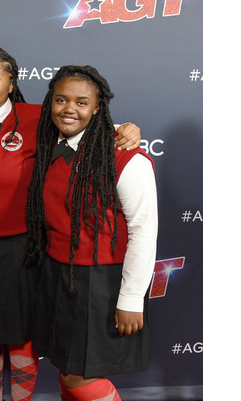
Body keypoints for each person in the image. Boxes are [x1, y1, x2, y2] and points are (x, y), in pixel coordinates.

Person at [0, 46, 142, 401]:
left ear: (11, 83)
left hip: (23, 247)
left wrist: (124, 129)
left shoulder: (34, 116)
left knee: (22, 332)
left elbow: (78, 118)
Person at [25, 65, 157, 401]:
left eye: (82, 102)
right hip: (58, 275)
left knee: (78, 378)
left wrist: (130, 299)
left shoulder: (125, 158)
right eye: (60, 100)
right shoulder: (49, 145)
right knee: (66, 368)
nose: (69, 108)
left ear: (97, 108)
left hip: (101, 282)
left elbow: (143, 231)